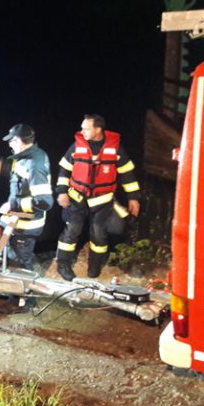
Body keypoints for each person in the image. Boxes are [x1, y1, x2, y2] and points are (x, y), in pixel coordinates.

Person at [54, 114, 141, 281]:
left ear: (98, 129)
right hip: (77, 197)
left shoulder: (115, 149)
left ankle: (95, 265)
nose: (82, 131)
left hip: (102, 200)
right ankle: (63, 265)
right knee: (72, 231)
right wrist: (62, 192)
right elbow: (64, 170)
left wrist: (133, 198)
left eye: (86, 128)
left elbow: (127, 174)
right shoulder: (77, 146)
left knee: (99, 234)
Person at [0, 124, 53, 313]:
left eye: (11, 141)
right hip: (16, 222)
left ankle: (23, 303)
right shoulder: (29, 158)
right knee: (14, 260)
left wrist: (14, 207)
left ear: (18, 141)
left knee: (20, 264)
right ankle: (15, 295)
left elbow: (44, 202)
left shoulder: (35, 163)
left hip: (25, 225)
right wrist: (1, 168)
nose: (10, 146)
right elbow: (21, 182)